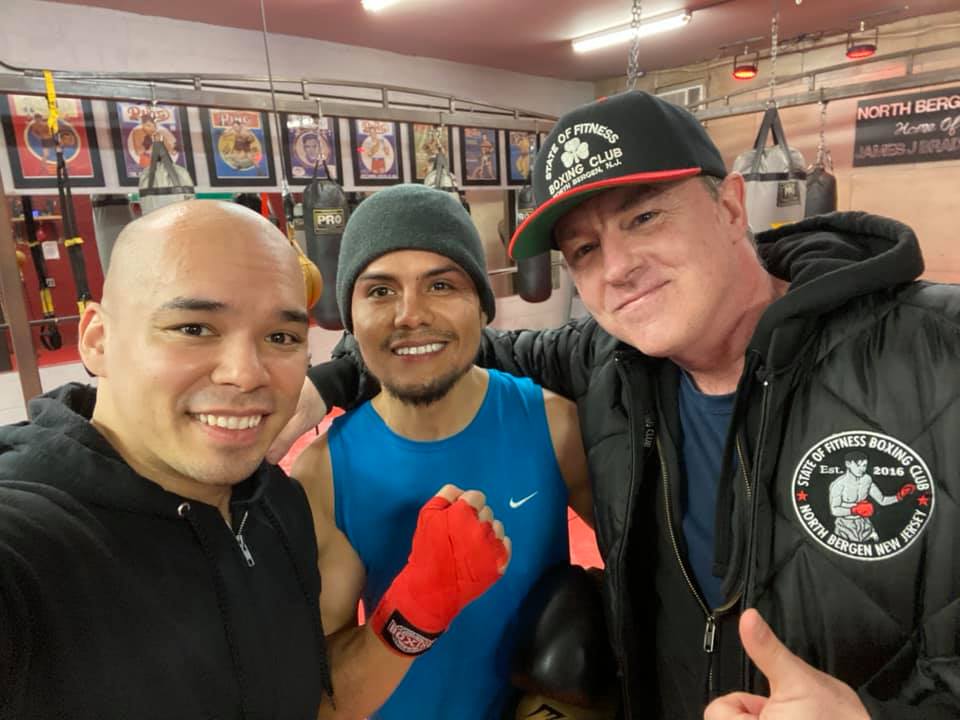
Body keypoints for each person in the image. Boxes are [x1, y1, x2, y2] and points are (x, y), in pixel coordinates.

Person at [270, 91, 960, 719]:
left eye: (645, 216)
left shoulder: (937, 353)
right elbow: (435, 343)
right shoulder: (610, 364)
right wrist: (326, 381)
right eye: (585, 248)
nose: (619, 265)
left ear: (729, 207)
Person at [0, 200, 507, 720]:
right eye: (194, 328)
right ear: (97, 339)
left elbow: (315, 705)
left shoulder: (275, 506)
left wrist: (419, 607)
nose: (246, 374)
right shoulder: (30, 542)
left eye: (280, 337)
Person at [291, 184, 593, 720]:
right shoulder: (325, 473)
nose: (410, 314)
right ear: (351, 317)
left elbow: (655, 574)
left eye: (441, 284)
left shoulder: (553, 424)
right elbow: (323, 701)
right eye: (380, 291)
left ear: (481, 305)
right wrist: (413, 613)